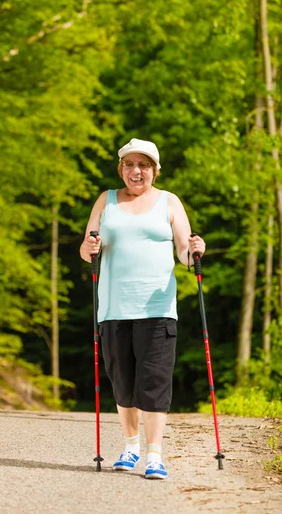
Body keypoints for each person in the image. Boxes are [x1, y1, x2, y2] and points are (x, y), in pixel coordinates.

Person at [80, 138, 206, 479]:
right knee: (122, 381)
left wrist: (194, 251)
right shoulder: (105, 201)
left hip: (157, 306)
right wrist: (90, 246)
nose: (136, 171)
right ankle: (130, 446)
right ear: (121, 169)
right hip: (114, 307)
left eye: (144, 165)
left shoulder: (169, 202)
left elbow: (182, 250)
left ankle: (154, 455)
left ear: (155, 170)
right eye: (130, 165)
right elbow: (87, 248)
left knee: (154, 381)